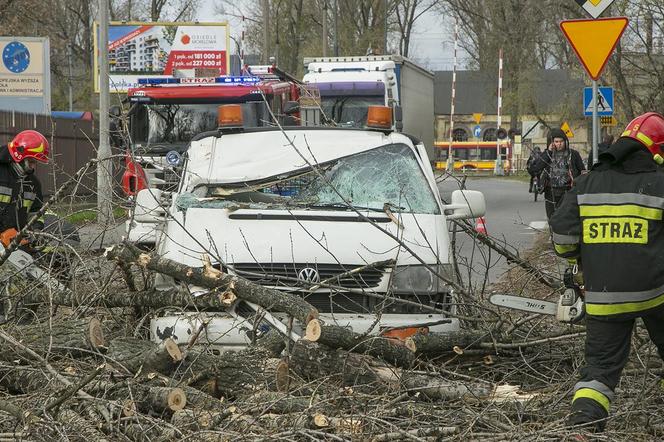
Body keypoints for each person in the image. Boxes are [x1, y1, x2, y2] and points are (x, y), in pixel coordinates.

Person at [549, 112, 664, 432]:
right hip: (657, 294)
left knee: (598, 371)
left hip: (604, 296)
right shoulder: (659, 184)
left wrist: (578, 261)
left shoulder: (588, 183)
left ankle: (585, 427)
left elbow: (561, 234)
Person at [0, 130, 49, 247]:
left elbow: (36, 213)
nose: (33, 166)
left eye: (35, 162)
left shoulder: (33, 184)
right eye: (31, 161)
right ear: (19, 156)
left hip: (15, 242)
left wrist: (36, 230)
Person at [527, 128, 585, 219]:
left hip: (568, 191)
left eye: (561, 141)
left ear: (565, 141)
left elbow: (582, 171)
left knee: (567, 218)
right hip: (551, 192)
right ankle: (552, 233)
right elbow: (535, 168)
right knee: (552, 218)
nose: (559, 144)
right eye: (556, 141)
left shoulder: (573, 154)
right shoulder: (547, 155)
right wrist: (548, 152)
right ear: (552, 142)